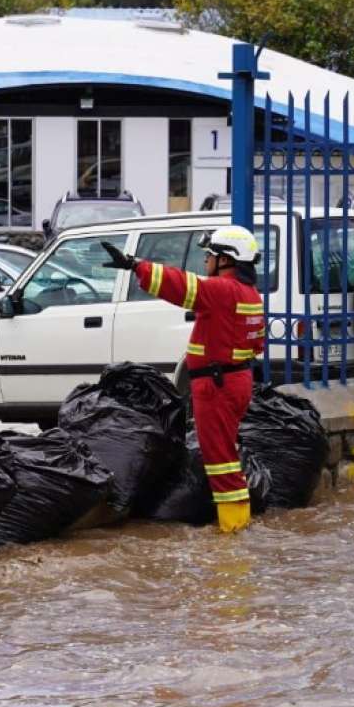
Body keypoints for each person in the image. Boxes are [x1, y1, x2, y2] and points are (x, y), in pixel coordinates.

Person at [102, 226, 264, 533]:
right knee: (225, 455)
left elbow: (182, 287)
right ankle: (237, 528)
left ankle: (234, 534)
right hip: (234, 380)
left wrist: (137, 266)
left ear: (226, 259)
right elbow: (258, 343)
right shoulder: (249, 294)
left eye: (210, 256)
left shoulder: (223, 290)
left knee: (221, 460)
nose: (205, 262)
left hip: (217, 385)